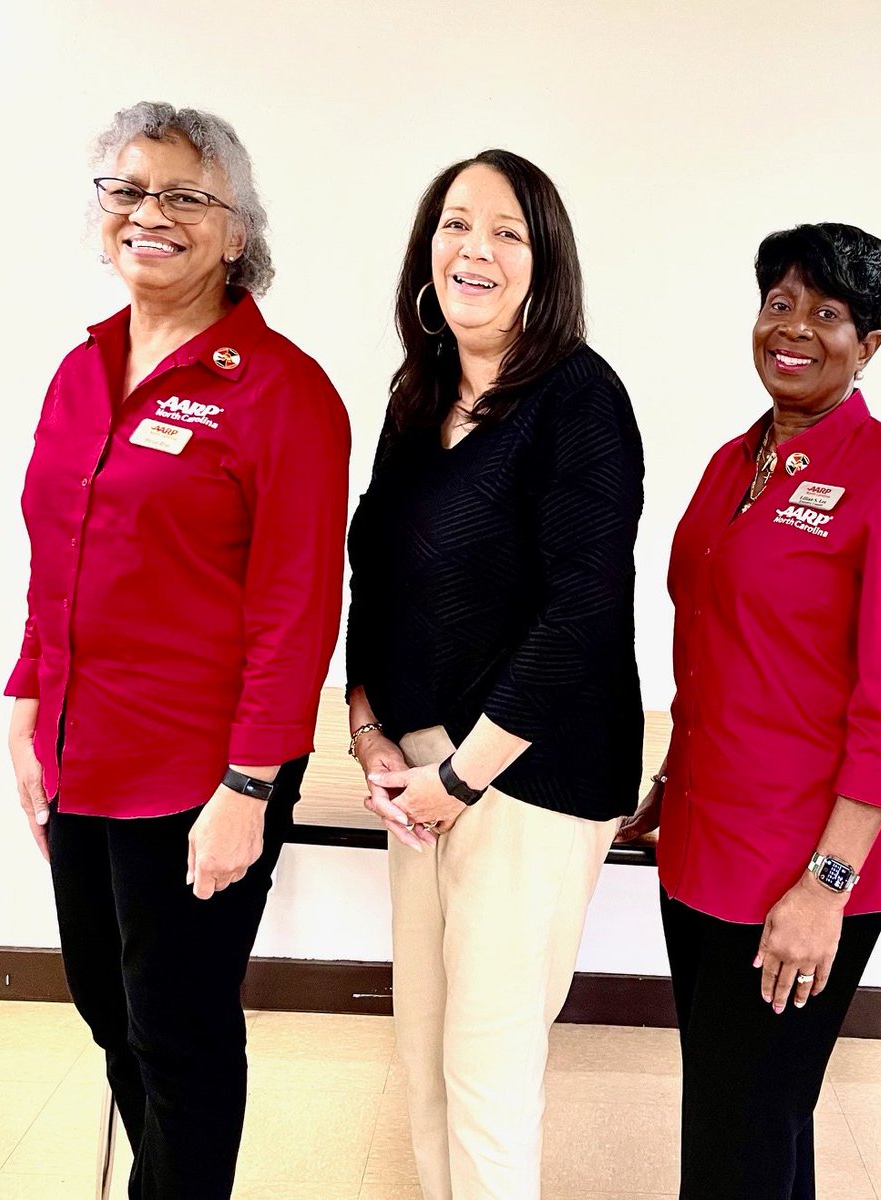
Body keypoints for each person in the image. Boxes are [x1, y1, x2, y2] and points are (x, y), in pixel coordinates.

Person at [5, 101, 350, 1200]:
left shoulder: (282, 392)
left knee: (179, 1032)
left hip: (196, 773)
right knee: (108, 1007)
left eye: (186, 196)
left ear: (237, 229)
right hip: (75, 751)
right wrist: (23, 701)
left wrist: (252, 783)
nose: (151, 214)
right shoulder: (83, 367)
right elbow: (54, 549)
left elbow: (296, 606)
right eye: (129, 191)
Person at [617, 222, 881, 1200]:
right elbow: (727, 653)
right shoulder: (739, 461)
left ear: (871, 344)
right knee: (740, 1113)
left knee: (751, 1117)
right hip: (703, 832)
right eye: (781, 303)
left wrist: (825, 884)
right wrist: (667, 783)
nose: (797, 329)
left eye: (829, 313)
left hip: (806, 860)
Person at [344, 148, 644, 1200]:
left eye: (507, 231)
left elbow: (584, 613)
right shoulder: (417, 393)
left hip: (526, 775)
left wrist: (461, 777)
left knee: (487, 1068)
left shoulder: (579, 400)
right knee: (422, 1054)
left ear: (543, 261)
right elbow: (371, 568)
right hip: (418, 767)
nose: (475, 248)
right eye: (455, 223)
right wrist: (370, 730)